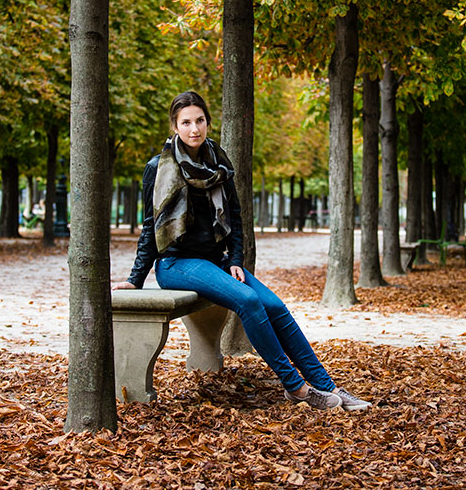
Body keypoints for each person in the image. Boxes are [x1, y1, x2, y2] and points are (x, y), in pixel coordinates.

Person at [114, 91, 371, 412]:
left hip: (217, 261)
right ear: (175, 126)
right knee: (248, 301)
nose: (194, 128)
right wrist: (136, 280)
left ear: (207, 122)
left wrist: (235, 260)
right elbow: (151, 227)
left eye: (199, 120)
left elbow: (234, 216)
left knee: (274, 306)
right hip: (176, 263)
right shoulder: (160, 167)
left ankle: (327, 385)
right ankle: (296, 386)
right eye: (186, 122)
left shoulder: (219, 162)